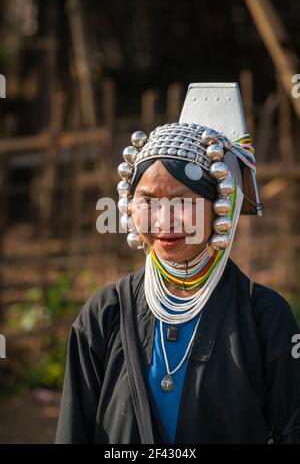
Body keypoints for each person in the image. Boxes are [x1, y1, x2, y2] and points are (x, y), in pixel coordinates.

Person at [55, 121, 300, 444]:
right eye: (147, 201)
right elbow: (74, 433)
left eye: (183, 202)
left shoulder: (265, 317)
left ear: (219, 208)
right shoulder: (103, 315)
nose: (163, 220)